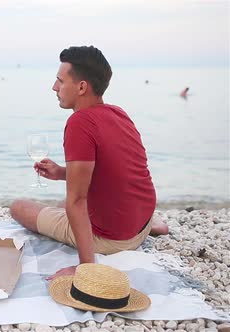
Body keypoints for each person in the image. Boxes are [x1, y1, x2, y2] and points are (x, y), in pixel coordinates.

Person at [9, 46, 169, 280]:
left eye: (60, 81)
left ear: (82, 87)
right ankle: (153, 226)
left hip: (113, 239)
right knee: (64, 202)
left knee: (20, 207)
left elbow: (77, 200)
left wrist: (85, 267)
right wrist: (62, 172)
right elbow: (112, 169)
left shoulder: (79, 123)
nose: (54, 87)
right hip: (141, 222)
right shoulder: (118, 113)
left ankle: (100, 251)